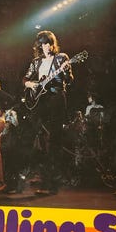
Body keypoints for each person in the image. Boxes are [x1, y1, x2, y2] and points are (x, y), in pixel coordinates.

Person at [23, 30, 73, 195]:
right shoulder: (36, 62)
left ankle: (52, 184)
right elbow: (25, 79)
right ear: (39, 46)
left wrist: (65, 70)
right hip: (41, 102)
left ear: (53, 44)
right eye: (43, 44)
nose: (46, 47)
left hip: (56, 98)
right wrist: (31, 84)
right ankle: (42, 178)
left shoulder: (61, 58)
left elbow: (69, 80)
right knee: (40, 139)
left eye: (49, 43)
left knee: (54, 140)